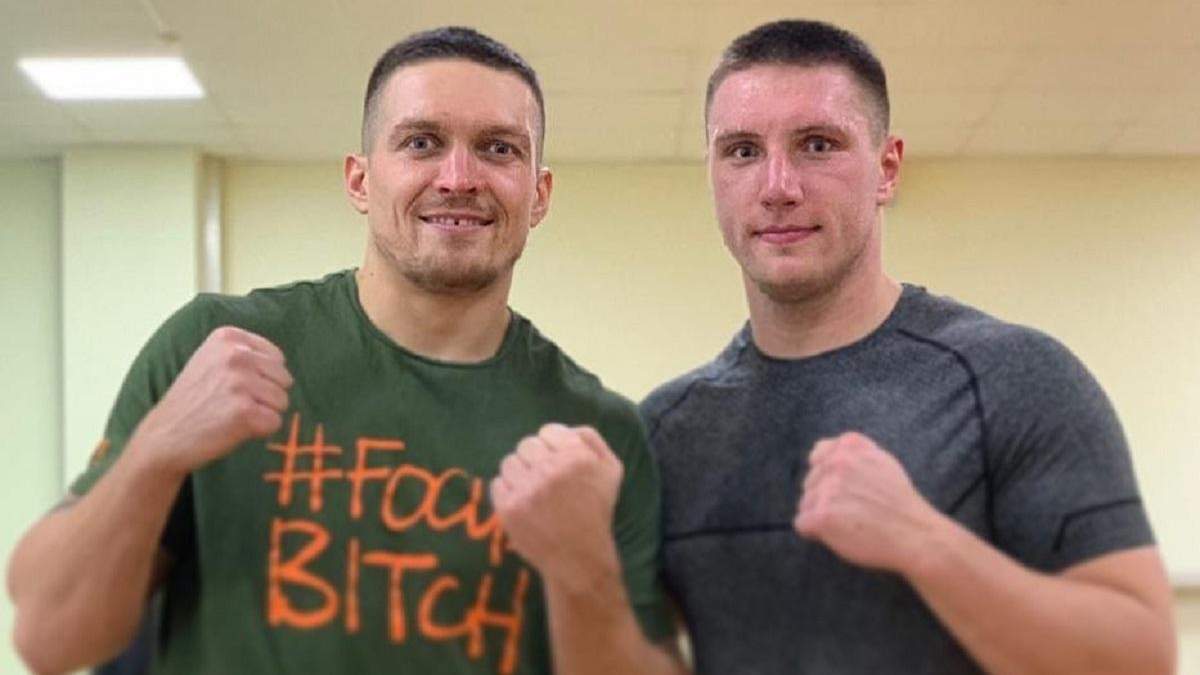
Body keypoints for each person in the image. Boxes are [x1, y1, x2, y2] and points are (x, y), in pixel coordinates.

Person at [8, 26, 683, 675]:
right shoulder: (215, 346)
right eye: (421, 142)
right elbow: (52, 636)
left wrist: (585, 572)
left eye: (498, 148)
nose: (458, 176)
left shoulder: (600, 432)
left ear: (539, 194)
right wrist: (154, 452)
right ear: (360, 181)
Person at [640, 19, 1177, 675]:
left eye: (817, 145)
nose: (778, 186)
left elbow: (1140, 657)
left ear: (887, 169)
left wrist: (923, 541)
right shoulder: (664, 430)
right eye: (743, 151)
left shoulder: (1012, 379)